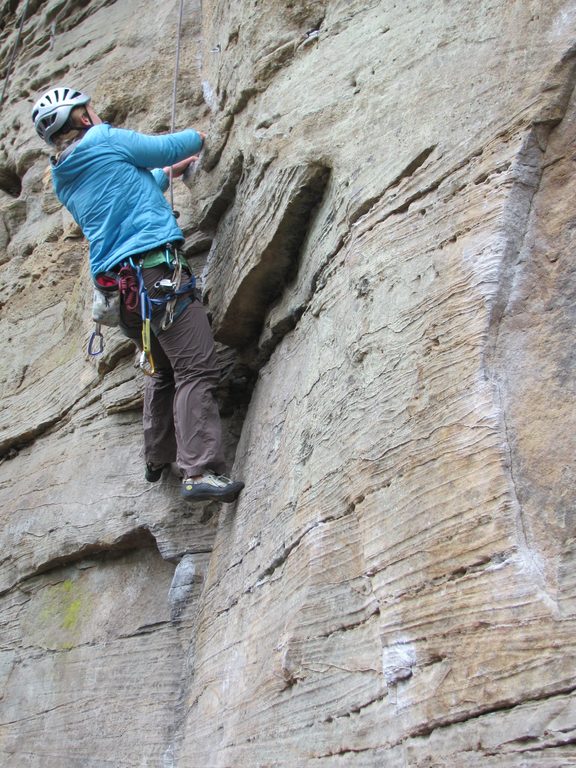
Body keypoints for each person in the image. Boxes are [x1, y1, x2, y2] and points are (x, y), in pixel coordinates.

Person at [31, 85, 244, 503]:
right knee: (196, 369)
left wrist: (165, 174)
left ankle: (156, 455)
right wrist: (199, 138)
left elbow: (126, 185)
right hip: (156, 274)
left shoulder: (63, 177)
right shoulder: (105, 139)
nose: (95, 112)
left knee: (162, 369)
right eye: (88, 108)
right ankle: (199, 470)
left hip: (120, 294)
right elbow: (166, 147)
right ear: (81, 118)